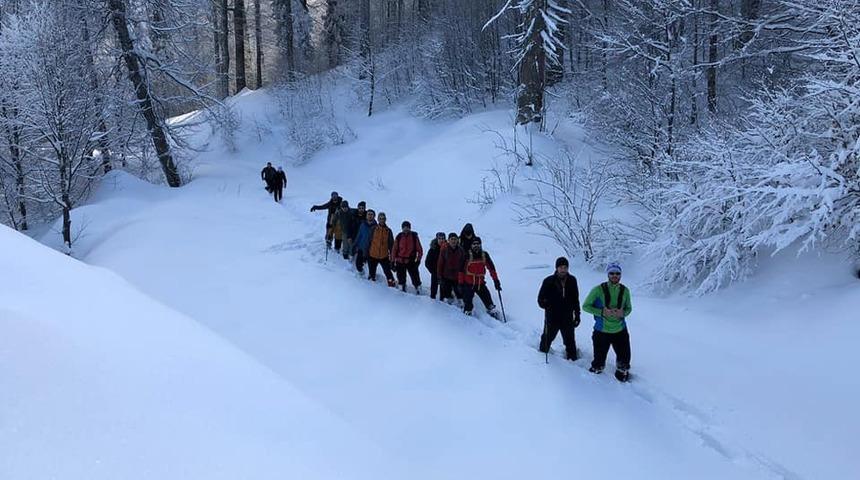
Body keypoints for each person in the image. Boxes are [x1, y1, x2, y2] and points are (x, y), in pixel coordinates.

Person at [582, 262, 634, 382]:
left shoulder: (625, 290)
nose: (614, 275)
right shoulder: (598, 290)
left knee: (624, 360)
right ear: (608, 274)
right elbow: (585, 306)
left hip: (620, 330)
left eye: (617, 273)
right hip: (602, 331)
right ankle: (595, 385)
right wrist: (601, 312)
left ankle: (622, 375)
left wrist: (623, 313)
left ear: (620, 275)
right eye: (612, 273)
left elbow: (629, 308)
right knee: (598, 363)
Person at [537, 257, 581, 361]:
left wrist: (577, 315)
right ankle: (541, 356)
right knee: (547, 338)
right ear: (556, 268)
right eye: (561, 267)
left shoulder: (572, 280)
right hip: (552, 316)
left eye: (565, 267)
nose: (563, 270)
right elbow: (540, 299)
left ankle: (573, 360)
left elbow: (576, 299)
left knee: (570, 340)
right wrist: (546, 304)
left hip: (567, 316)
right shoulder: (548, 281)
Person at [458, 237, 500, 318]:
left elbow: (491, 269)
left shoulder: (484, 255)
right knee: (468, 303)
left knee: (488, 300)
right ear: (471, 245)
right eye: (474, 244)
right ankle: (467, 314)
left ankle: (491, 311)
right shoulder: (466, 255)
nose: (476, 246)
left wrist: (496, 281)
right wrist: (460, 283)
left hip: (480, 283)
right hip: (469, 284)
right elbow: (461, 270)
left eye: (478, 244)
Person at [393, 221, 424, 293]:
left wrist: (418, 260)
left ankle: (418, 287)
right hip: (400, 260)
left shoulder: (414, 236)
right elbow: (394, 250)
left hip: (411, 261)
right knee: (401, 277)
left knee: (415, 276)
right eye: (404, 227)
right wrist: (392, 261)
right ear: (402, 228)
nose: (406, 229)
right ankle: (402, 287)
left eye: (407, 227)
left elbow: (420, 250)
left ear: (410, 228)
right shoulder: (399, 236)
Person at [367, 212, 395, 286]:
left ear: (385, 220)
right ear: (378, 219)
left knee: (387, 271)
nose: (382, 220)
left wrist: (392, 257)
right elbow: (369, 240)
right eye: (380, 219)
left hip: (384, 256)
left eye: (383, 219)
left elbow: (391, 245)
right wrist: (367, 252)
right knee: (372, 271)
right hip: (373, 254)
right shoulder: (374, 228)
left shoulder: (388, 231)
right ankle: (371, 282)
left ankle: (391, 282)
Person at [438, 233, 464, 304]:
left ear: (457, 240)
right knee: (446, 291)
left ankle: (460, 302)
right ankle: (449, 299)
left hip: (457, 276)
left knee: (459, 291)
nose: (453, 241)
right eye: (451, 239)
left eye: (455, 239)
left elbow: (463, 263)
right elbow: (440, 263)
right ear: (448, 240)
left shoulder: (461, 250)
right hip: (446, 275)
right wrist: (439, 275)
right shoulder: (444, 250)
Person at [424, 232, 447, 300]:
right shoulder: (432, 249)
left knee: (443, 287)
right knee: (434, 287)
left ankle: (442, 299)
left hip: (445, 272)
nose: (441, 240)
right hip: (435, 271)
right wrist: (432, 271)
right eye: (439, 238)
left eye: (443, 238)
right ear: (437, 239)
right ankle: (432, 298)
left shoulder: (447, 248)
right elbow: (427, 262)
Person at [353, 209, 376, 274]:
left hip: (370, 249)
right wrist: (355, 244)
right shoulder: (363, 224)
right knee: (358, 264)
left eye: (371, 214)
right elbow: (359, 235)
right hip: (361, 248)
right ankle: (361, 273)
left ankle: (371, 277)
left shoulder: (376, 227)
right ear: (366, 216)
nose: (370, 216)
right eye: (368, 214)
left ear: (374, 216)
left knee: (370, 265)